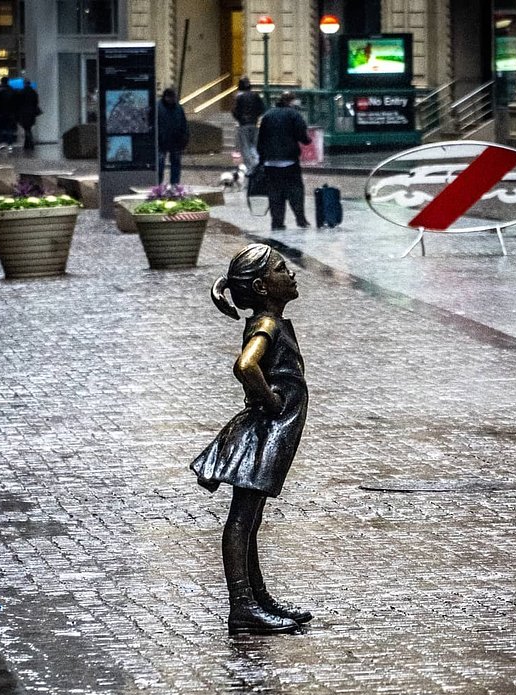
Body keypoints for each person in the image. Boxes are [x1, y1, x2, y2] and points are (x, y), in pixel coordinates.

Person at [191, 244, 313, 636]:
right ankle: (242, 604)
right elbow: (245, 365)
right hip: (264, 430)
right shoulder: (267, 325)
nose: (290, 273)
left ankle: (256, 597)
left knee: (251, 515)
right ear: (262, 286)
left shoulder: (272, 321)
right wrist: (272, 401)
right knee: (243, 518)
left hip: (271, 429)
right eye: (281, 268)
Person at [256, 90, 312, 231]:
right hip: (289, 160)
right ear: (291, 101)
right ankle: (300, 219)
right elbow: (302, 136)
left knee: (275, 193)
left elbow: (261, 139)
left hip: (270, 162)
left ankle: (277, 222)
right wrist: (307, 139)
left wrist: (262, 159)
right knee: (295, 191)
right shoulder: (294, 115)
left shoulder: (268, 115)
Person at [231, 76, 265, 172]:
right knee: (253, 145)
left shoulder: (238, 96)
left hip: (243, 124)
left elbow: (234, 111)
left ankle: (251, 167)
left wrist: (240, 118)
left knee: (245, 147)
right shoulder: (255, 95)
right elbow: (261, 108)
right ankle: (257, 163)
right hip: (254, 123)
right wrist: (255, 117)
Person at [157, 87, 189, 186]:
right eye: (172, 98)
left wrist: (185, 138)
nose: (173, 100)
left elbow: (184, 124)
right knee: (160, 164)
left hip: (176, 141)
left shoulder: (178, 108)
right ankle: (158, 184)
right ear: (166, 97)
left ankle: (175, 184)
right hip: (161, 142)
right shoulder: (158, 107)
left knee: (175, 164)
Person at [0, 76, 17, 152]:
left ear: (1, 82)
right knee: (9, 129)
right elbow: (15, 102)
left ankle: (0, 143)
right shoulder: (11, 90)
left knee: (0, 129)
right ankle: (10, 144)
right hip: (9, 113)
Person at [17, 78, 40, 152]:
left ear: (24, 84)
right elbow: (36, 102)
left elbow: (18, 103)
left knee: (27, 128)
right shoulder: (33, 92)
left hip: (24, 113)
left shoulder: (21, 92)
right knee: (28, 127)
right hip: (32, 112)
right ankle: (27, 144)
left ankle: (30, 142)